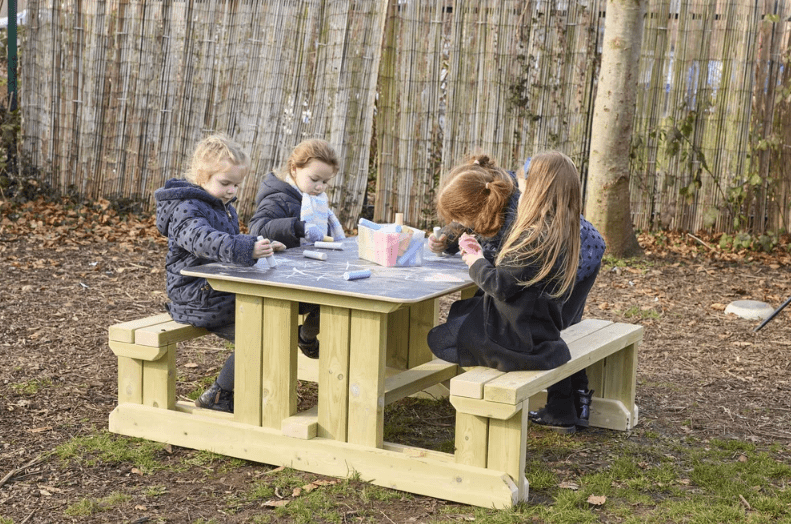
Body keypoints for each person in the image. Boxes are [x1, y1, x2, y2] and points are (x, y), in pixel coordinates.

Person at [426, 151, 586, 432]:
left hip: (520, 338)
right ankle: (567, 408)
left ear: (539, 189)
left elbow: (500, 285)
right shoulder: (557, 225)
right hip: (536, 325)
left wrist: (475, 261)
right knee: (459, 318)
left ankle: (497, 392)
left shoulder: (533, 234)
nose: (518, 190)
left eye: (523, 185)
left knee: (439, 339)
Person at [155, 133, 279, 413]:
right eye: (225, 183)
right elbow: (203, 239)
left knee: (274, 318)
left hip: (216, 287)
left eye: (236, 184)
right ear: (201, 175)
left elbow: (226, 245)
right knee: (261, 331)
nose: (232, 191)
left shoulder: (219, 205)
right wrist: (244, 247)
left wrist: (260, 246)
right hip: (196, 292)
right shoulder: (186, 208)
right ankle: (219, 395)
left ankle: (249, 385)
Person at [248, 138, 346, 359]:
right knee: (342, 296)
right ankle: (307, 336)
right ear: (294, 169)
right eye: (314, 179)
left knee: (348, 289)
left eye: (325, 181)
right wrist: (297, 226)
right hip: (282, 280)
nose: (320, 187)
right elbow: (257, 228)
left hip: (307, 274)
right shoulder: (279, 198)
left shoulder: (313, 199)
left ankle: (307, 335)